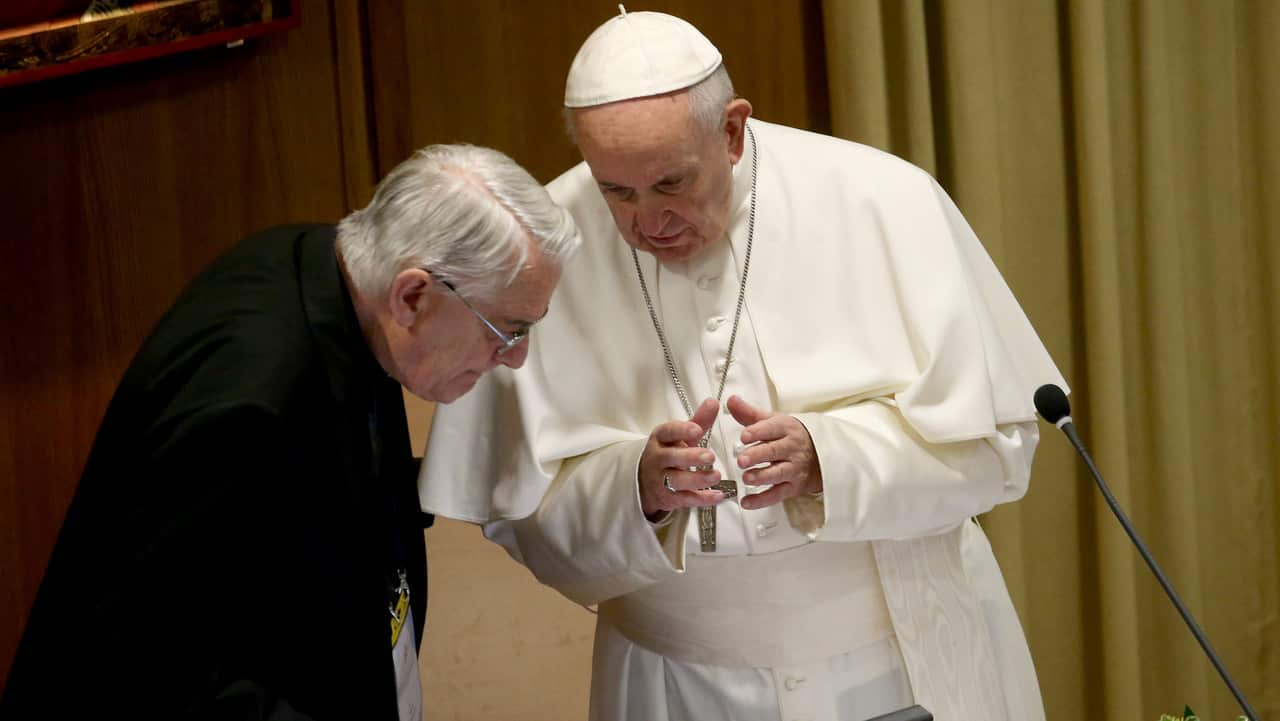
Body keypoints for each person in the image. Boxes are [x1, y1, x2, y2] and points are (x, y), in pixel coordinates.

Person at [420, 9, 1065, 721]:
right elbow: (521, 519)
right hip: (677, 686)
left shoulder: (883, 199)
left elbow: (998, 452)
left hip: (900, 660)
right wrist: (635, 489)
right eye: (615, 192)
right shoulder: (544, 245)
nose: (647, 223)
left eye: (670, 183)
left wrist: (829, 458)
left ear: (731, 131)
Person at [0, 144, 579, 720]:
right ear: (413, 296)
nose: (516, 358)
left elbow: (306, 500)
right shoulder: (247, 403)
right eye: (504, 330)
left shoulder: (337, 272)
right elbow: (161, 671)